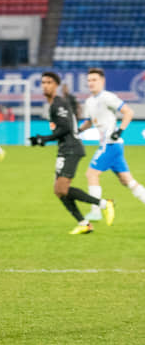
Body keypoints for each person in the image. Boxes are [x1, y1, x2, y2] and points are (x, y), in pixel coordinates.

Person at [29, 71, 115, 235]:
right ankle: (84, 223)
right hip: (64, 149)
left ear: (56, 85)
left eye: (49, 82)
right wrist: (42, 139)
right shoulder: (54, 104)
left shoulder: (58, 103)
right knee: (59, 191)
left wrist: (44, 139)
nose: (45, 85)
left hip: (71, 149)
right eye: (43, 82)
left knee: (61, 188)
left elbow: (66, 128)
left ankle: (105, 204)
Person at [78, 68, 145, 221]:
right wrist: (78, 130)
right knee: (127, 180)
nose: (91, 83)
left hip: (110, 144)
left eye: (94, 80)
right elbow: (89, 121)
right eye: (89, 80)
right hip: (112, 146)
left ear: (102, 81)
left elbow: (128, 112)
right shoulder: (89, 101)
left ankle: (95, 210)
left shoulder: (108, 97)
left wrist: (120, 131)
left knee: (91, 174)